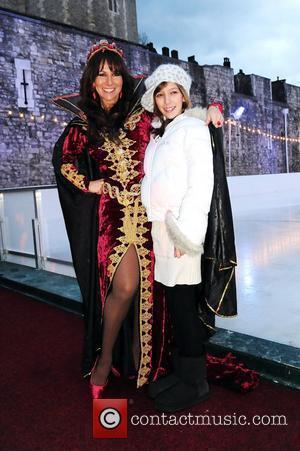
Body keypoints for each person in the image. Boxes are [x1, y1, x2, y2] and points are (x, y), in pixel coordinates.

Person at [52, 40, 224, 399]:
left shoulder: (141, 113)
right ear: (91, 81)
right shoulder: (82, 123)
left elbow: (175, 117)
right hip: (113, 217)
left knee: (158, 292)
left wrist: (209, 111)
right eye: (101, 75)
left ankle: (143, 361)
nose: (110, 81)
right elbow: (64, 162)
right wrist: (89, 182)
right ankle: (104, 359)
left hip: (152, 216)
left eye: (115, 73)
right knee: (126, 286)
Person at [140, 64, 237, 412]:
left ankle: (196, 383)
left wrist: (185, 235)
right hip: (162, 230)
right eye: (161, 94)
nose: (167, 101)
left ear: (184, 95)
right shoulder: (160, 134)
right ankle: (183, 374)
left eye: (174, 93)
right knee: (177, 307)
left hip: (181, 233)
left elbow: (200, 187)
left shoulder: (192, 130)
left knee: (184, 307)